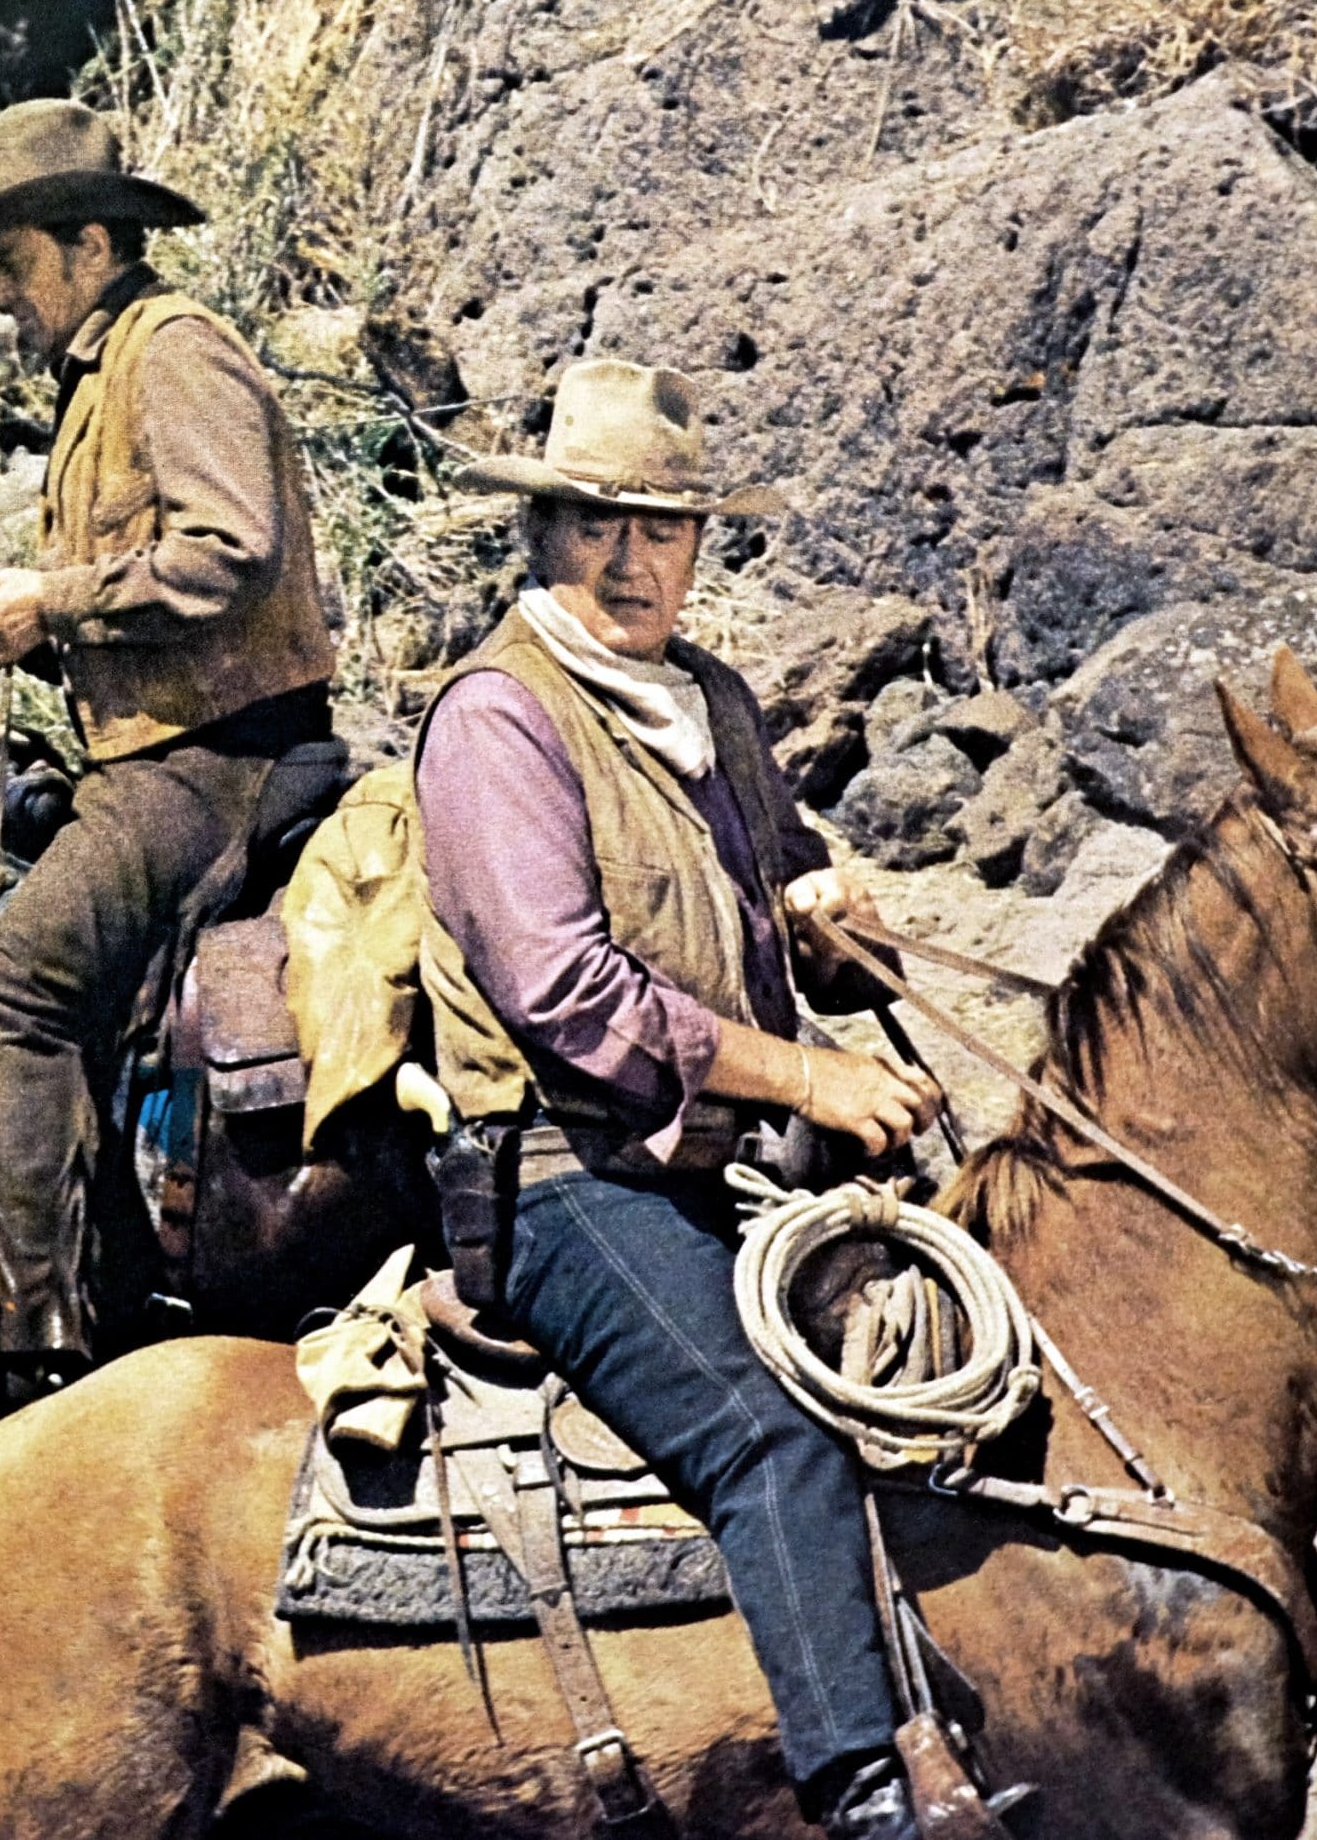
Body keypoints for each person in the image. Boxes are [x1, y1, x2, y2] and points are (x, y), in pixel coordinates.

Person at [417, 358, 948, 1840]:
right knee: (766, 1431)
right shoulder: (498, 721)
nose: (634, 556)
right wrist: (807, 1076)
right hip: (562, 1178)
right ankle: (859, 1789)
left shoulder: (705, 697)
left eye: (666, 526)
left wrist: (831, 913)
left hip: (720, 1154)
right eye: (598, 522)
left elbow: (778, 897)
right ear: (544, 533)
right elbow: (562, 992)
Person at [0, 99, 337, 1385]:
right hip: (163, 744)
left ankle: (45, 1349)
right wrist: (55, 633)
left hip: (216, 761)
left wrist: (59, 601)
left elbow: (231, 549)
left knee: (12, 994)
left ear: (91, 244)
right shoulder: (102, 373)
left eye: (12, 258)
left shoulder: (173, 352)